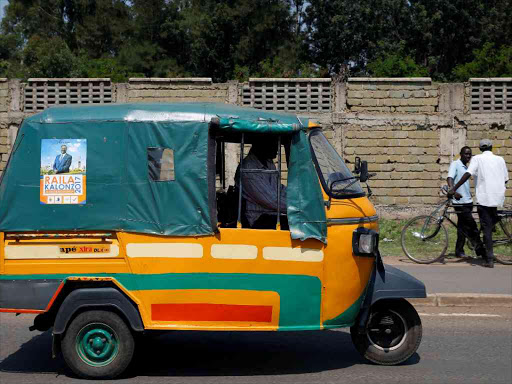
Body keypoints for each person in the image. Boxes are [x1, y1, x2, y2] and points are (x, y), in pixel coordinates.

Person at [448, 139, 509, 268]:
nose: (468, 156)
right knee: (472, 225)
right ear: (491, 148)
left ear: (480, 149)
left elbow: (467, 174)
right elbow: (505, 180)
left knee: (486, 230)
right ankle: (463, 249)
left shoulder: (477, 159)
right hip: (497, 198)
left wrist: (454, 188)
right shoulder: (501, 159)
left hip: (484, 199)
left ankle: (489, 259)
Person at [235, 138, 287, 229]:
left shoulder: (268, 163)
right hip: (258, 218)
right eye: (274, 145)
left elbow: (279, 188)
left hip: (272, 213)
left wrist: (297, 198)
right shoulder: (249, 168)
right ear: (262, 145)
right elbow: (270, 200)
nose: (277, 149)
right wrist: (296, 209)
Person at [447, 146, 485, 259]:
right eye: (466, 154)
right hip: (460, 202)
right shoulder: (455, 164)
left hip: (468, 201)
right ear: (461, 154)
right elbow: (450, 178)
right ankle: (481, 250)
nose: (468, 156)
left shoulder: (467, 167)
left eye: (470, 154)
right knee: (471, 226)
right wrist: (452, 190)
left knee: (462, 227)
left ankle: (459, 251)